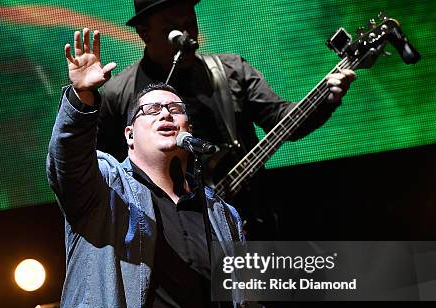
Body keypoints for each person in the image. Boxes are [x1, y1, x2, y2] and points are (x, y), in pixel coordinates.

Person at [46, 27, 336, 308]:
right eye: (150, 110)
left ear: (189, 129)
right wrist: (83, 97)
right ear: (130, 134)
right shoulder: (107, 187)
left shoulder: (221, 215)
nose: (165, 112)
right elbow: (66, 163)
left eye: (175, 109)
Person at [97, 0, 356, 194]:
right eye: (173, 30)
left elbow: (281, 121)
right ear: (144, 33)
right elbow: (105, 174)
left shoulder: (231, 71)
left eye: (190, 24)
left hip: (249, 225)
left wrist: (325, 99)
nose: (187, 36)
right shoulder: (118, 95)